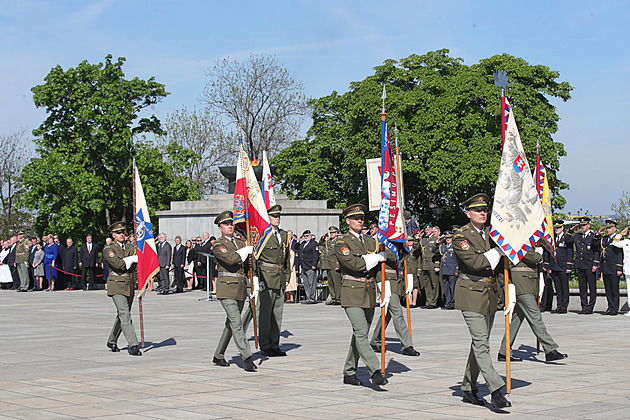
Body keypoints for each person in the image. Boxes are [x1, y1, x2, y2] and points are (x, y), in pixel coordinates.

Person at [452, 193, 510, 408]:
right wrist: (498, 250)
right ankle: (496, 389)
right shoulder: (461, 236)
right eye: (477, 210)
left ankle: (468, 387)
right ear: (469, 213)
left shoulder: (492, 234)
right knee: (481, 342)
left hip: (490, 293)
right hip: (471, 292)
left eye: (485, 210)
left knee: (480, 343)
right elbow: (476, 263)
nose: (482, 213)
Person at [335, 204, 388, 387]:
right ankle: (374, 370)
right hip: (352, 291)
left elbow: (380, 267)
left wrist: (383, 285)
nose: (360, 220)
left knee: (360, 334)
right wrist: (374, 258)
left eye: (362, 218)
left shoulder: (371, 241)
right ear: (348, 221)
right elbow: (354, 264)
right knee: (360, 332)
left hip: (369, 291)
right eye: (356, 218)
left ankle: (349, 372)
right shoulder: (341, 242)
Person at [498, 247, 568, 363]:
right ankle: (550, 349)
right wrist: (538, 254)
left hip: (527, 284)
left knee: (516, 320)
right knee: (535, 317)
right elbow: (533, 258)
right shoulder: (520, 243)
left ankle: (504, 351)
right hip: (523, 285)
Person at [211, 211, 257, 372]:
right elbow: (231, 259)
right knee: (237, 323)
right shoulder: (218, 244)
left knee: (230, 325)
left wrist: (254, 283)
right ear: (220, 228)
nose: (230, 226)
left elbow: (249, 266)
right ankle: (247, 357)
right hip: (226, 288)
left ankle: (219, 355)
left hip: (241, 288)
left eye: (231, 223)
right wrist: (245, 252)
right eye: (226, 224)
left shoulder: (241, 242)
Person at [370, 237, 419, 357]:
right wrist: (403, 248)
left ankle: (375, 340)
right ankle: (407, 345)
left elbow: (407, 261)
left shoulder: (398, 246)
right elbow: (391, 257)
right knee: (397, 312)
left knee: (388, 314)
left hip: (397, 282)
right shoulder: (384, 244)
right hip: (386, 281)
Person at [256, 204, 291, 357]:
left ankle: (275, 344)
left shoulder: (283, 234)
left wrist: (287, 275)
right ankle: (265, 345)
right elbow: (256, 258)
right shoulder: (263, 234)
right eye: (274, 216)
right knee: (265, 314)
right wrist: (258, 279)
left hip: (279, 277)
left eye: (278, 216)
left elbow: (286, 258)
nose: (277, 218)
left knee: (277, 314)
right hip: (266, 276)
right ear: (267, 217)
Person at [102, 221, 141, 356]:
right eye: (118, 233)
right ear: (113, 235)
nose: (122, 234)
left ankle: (112, 340)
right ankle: (133, 344)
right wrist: (131, 260)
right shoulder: (109, 249)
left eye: (123, 232)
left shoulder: (130, 247)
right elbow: (118, 264)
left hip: (129, 283)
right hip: (116, 283)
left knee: (122, 314)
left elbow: (139, 260)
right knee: (125, 314)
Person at [592, 220, 624, 315]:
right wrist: (598, 234)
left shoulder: (618, 239)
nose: (608, 230)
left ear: (615, 229)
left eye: (610, 228)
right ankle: (610, 307)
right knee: (608, 289)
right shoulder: (604, 239)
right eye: (607, 228)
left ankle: (615, 308)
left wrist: (619, 268)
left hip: (613, 267)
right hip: (605, 267)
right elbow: (594, 244)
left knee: (614, 289)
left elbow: (619, 254)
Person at [566, 217, 597, 314]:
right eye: (581, 225)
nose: (582, 227)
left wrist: (595, 264)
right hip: (580, 264)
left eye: (584, 225)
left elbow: (596, 250)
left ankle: (590, 307)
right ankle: (584, 306)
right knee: (582, 287)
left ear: (588, 225)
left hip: (590, 264)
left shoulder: (593, 236)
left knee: (592, 287)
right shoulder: (578, 236)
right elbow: (567, 239)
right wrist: (571, 230)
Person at [543, 220, 573, 313]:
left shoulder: (566, 238)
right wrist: (549, 266)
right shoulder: (553, 238)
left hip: (563, 266)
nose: (557, 230)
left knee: (564, 288)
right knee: (558, 288)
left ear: (562, 228)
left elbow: (570, 252)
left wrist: (569, 265)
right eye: (555, 228)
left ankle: (564, 307)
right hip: (555, 266)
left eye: (559, 228)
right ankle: (559, 306)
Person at [432, 230, 458, 309]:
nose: (448, 239)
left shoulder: (455, 246)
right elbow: (433, 250)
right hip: (444, 270)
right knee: (446, 288)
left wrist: (457, 270)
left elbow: (458, 259)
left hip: (452, 269)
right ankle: (448, 302)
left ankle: (453, 303)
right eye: (446, 238)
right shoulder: (442, 246)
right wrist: (437, 242)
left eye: (449, 237)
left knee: (453, 287)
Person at [420, 223, 440, 308]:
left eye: (428, 230)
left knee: (434, 283)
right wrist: (419, 237)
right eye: (425, 230)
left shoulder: (436, 238)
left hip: (432, 263)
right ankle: (428, 301)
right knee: (426, 284)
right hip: (424, 264)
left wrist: (437, 265)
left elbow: (438, 253)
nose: (426, 231)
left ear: (432, 229)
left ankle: (434, 302)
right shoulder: (424, 239)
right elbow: (416, 247)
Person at [320, 226, 342, 305]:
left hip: (334, 264)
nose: (332, 234)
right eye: (331, 233)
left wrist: (338, 265)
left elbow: (340, 254)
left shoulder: (339, 241)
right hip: (328, 264)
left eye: (333, 233)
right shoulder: (329, 241)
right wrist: (323, 238)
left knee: (337, 283)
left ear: (336, 233)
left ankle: (338, 299)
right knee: (331, 283)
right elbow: (320, 244)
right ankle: (333, 298)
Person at [612, 226, 630, 315]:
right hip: (628, 269)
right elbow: (615, 243)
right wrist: (621, 234)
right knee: (629, 290)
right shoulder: (626, 242)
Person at [297, 230, 319, 303]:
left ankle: (312, 298)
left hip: (310, 265)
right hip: (303, 266)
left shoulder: (313, 243)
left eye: (307, 235)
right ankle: (308, 297)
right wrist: (299, 240)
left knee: (311, 283)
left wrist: (314, 264)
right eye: (305, 236)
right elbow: (295, 247)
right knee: (306, 283)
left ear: (310, 235)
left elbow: (316, 255)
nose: (306, 237)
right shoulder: (302, 243)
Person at [285, 230, 298, 303]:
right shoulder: (285, 243)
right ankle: (287, 297)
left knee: (291, 283)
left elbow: (294, 257)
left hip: (291, 268)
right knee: (287, 284)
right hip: (285, 267)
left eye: (290, 234)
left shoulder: (294, 244)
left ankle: (292, 297)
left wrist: (291, 267)